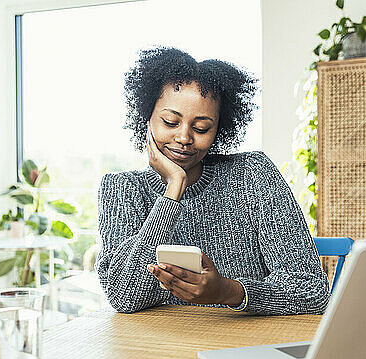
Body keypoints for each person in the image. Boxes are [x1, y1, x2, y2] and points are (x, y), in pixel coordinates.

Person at [95, 47, 329, 314]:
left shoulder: (252, 174)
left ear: (219, 128)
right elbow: (125, 297)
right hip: (159, 349)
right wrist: (173, 189)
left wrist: (228, 292)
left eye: (201, 128)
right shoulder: (121, 188)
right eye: (170, 122)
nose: (184, 138)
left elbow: (312, 292)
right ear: (147, 118)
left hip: (245, 347)